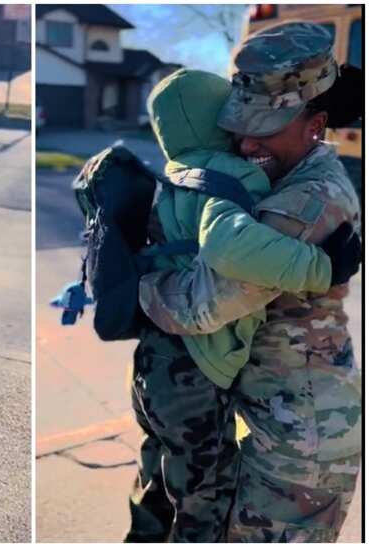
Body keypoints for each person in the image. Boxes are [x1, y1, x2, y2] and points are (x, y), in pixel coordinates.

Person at [139, 22, 363, 542]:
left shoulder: (304, 203)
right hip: (272, 419)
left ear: (317, 124)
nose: (246, 142)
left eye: (266, 128)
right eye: (239, 125)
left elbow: (197, 307)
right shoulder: (277, 180)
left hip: (302, 444)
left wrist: (140, 281)